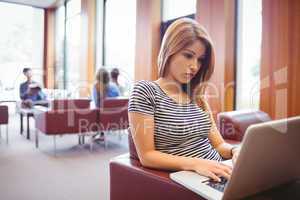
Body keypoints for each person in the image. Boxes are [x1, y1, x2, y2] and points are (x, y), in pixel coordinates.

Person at [128, 18, 239, 182]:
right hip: (194, 178)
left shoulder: (197, 96)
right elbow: (147, 156)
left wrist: (235, 150)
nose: (195, 66)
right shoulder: (145, 91)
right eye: (188, 56)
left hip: (219, 172)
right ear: (169, 51)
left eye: (200, 59)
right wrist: (197, 164)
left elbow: (219, 145)